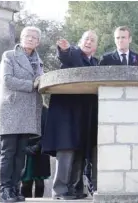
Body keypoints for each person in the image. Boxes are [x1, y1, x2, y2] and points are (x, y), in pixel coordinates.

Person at [42, 30, 99, 200]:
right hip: (66, 114)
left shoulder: (95, 62)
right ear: (80, 42)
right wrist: (64, 49)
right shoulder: (74, 53)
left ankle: (74, 188)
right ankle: (59, 190)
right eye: (86, 39)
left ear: (96, 46)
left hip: (84, 115)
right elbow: (65, 56)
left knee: (80, 150)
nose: (89, 42)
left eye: (92, 40)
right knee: (66, 149)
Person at [0, 26, 44, 202]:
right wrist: (32, 84)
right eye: (27, 36)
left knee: (20, 154)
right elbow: (7, 80)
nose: (30, 39)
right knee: (8, 152)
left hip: (27, 112)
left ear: (38, 42)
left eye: (34, 37)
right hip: (10, 109)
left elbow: (42, 82)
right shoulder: (9, 55)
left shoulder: (39, 62)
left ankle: (15, 188)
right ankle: (5, 190)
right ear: (21, 38)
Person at [21, 104, 50, 198]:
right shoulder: (21, 109)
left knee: (40, 183)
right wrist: (24, 147)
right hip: (25, 148)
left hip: (41, 149)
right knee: (26, 182)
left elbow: (48, 130)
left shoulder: (45, 110)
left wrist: (38, 146)